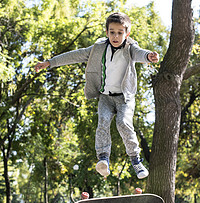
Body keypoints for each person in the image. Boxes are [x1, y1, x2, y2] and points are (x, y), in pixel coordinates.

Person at [35, 12, 159, 179]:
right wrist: (50, 62)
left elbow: (140, 53)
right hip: (106, 97)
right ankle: (103, 159)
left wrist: (148, 56)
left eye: (120, 32)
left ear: (127, 34)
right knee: (103, 122)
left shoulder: (130, 48)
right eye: (112, 32)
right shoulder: (98, 49)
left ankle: (136, 160)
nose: (116, 36)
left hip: (124, 98)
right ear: (107, 32)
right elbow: (75, 55)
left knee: (123, 123)